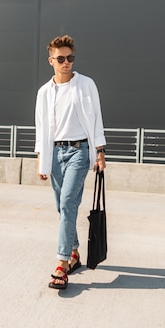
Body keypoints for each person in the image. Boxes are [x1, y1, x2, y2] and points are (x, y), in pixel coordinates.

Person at [34, 35, 107, 290]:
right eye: (61, 59)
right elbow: (41, 127)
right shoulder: (44, 92)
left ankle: (62, 263)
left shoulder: (86, 85)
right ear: (51, 61)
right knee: (61, 207)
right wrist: (41, 157)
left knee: (67, 203)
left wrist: (100, 152)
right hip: (54, 154)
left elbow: (96, 118)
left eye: (70, 58)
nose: (67, 63)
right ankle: (75, 253)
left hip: (79, 151)